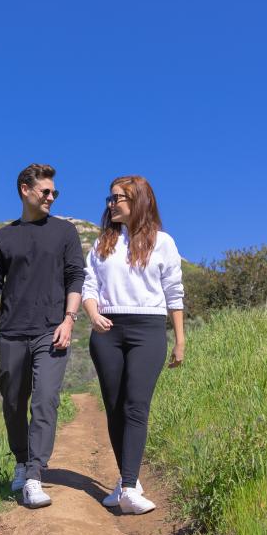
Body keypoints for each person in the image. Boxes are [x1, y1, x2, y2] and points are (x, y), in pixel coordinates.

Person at [0, 163, 85, 509]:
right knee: (12, 402)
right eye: (46, 191)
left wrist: (69, 320)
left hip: (51, 330)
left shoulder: (65, 232)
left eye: (55, 192)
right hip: (11, 333)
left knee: (45, 400)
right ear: (25, 190)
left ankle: (35, 475)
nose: (51, 197)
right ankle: (22, 460)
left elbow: (75, 278)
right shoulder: (4, 238)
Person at [81, 175, 185, 515]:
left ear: (138, 201)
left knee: (135, 405)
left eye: (117, 198)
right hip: (106, 330)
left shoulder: (164, 242)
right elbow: (89, 286)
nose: (110, 204)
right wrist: (93, 314)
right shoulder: (101, 244)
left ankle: (128, 487)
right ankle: (129, 479)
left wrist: (179, 339)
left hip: (148, 329)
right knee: (114, 406)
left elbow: (174, 291)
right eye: (109, 199)